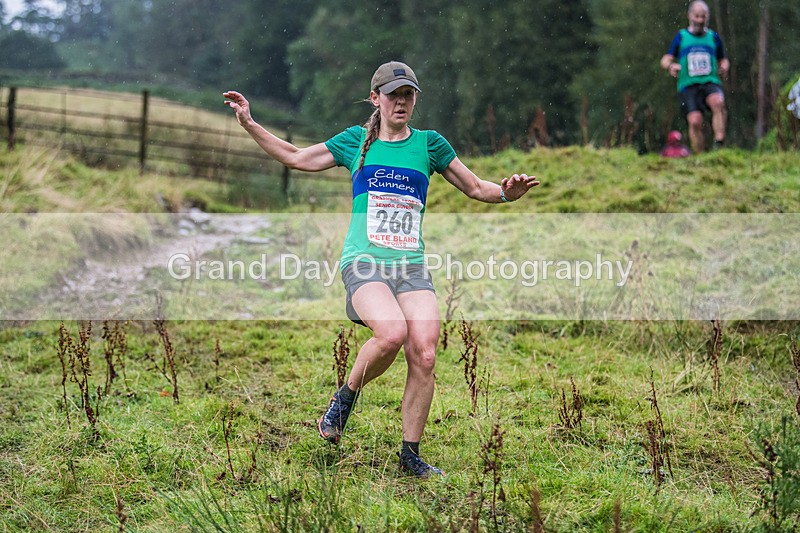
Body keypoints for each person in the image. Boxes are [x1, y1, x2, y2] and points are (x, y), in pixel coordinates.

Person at [223, 61, 539, 478]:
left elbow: (476, 187)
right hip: (364, 262)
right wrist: (249, 123)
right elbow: (295, 157)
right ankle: (345, 398)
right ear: (377, 99)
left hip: (410, 266)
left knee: (424, 353)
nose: (402, 102)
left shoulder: (430, 145)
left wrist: (505, 193)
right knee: (392, 333)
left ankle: (410, 455)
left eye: (408, 94)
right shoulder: (356, 142)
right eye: (393, 94)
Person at [660, 0, 730, 153]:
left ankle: (719, 142)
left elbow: (723, 59)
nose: (700, 20)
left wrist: (724, 65)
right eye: (697, 16)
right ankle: (699, 156)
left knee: (718, 102)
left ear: (707, 17)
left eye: (703, 16)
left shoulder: (714, 37)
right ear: (690, 16)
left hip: (710, 81)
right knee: (695, 122)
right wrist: (671, 66)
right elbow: (665, 59)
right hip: (688, 85)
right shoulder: (681, 36)